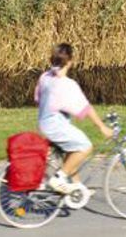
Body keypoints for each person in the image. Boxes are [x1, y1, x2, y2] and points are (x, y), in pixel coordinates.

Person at [34, 43, 113, 194]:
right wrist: (102, 127)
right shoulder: (67, 84)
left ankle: (78, 188)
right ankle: (59, 178)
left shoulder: (44, 77)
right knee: (84, 146)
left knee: (72, 150)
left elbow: (38, 99)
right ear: (70, 61)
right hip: (55, 127)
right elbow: (85, 108)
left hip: (43, 124)